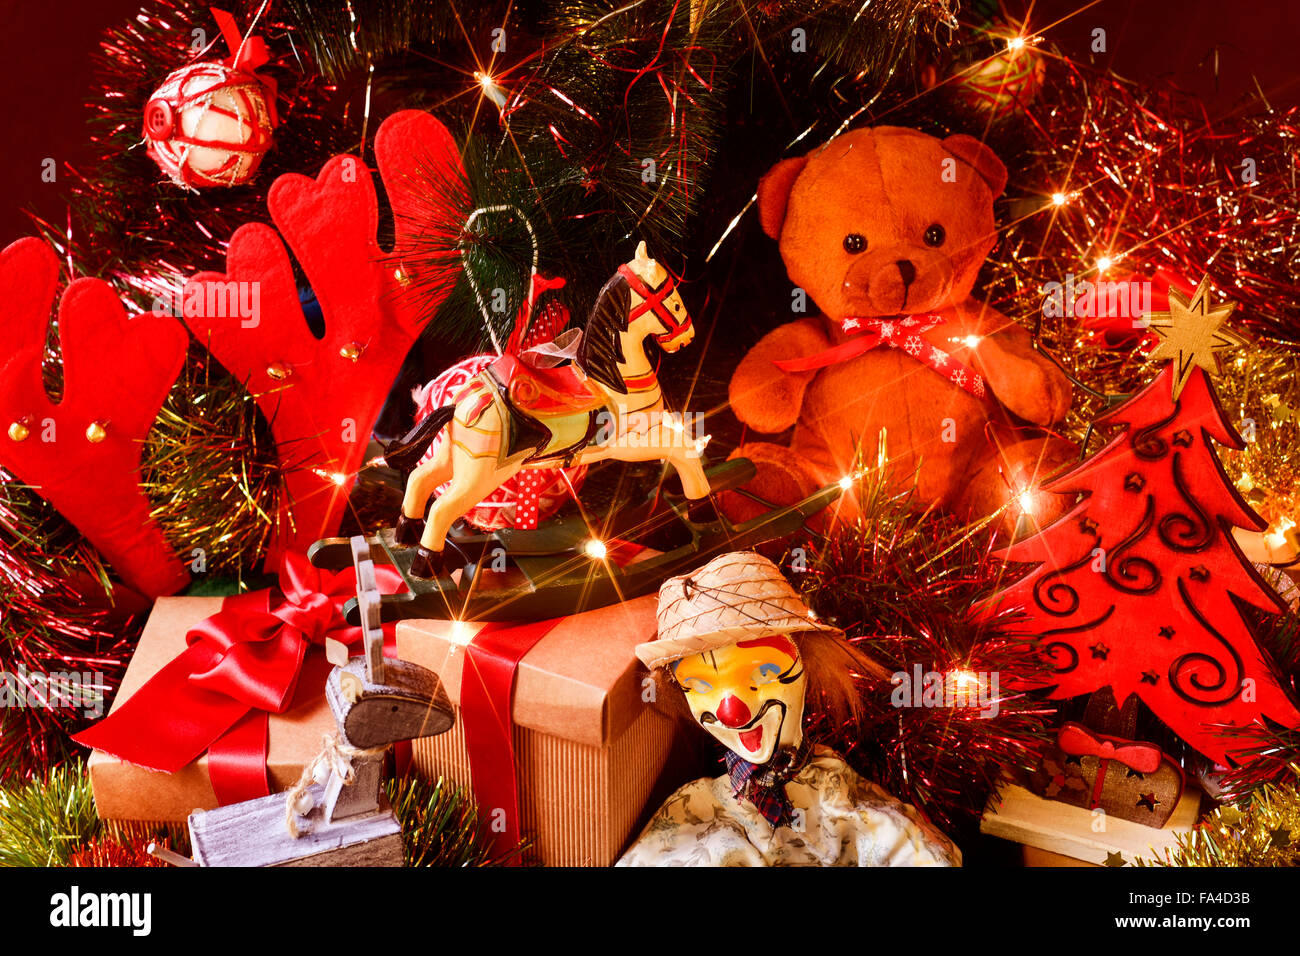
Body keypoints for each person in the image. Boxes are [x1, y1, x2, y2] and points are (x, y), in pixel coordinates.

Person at [617, 551, 960, 867]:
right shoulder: (694, 817)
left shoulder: (851, 804)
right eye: (701, 686)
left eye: (764, 672)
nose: (731, 712)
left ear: (809, 662)